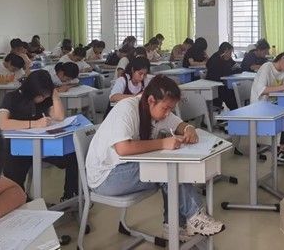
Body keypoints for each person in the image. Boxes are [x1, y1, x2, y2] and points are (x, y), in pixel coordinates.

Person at [86, 75, 225, 239]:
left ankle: (174, 226)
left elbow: (179, 124)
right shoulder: (127, 109)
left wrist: (189, 129)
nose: (168, 114)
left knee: (172, 168)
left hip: (126, 169)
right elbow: (123, 148)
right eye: (165, 109)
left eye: (171, 109)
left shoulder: (158, 110)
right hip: (105, 177)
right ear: (151, 100)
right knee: (166, 169)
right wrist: (163, 143)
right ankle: (194, 215)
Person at [0, 70, 79, 200]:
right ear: (31, 90)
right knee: (14, 175)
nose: (43, 99)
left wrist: (55, 96)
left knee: (74, 155)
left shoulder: (45, 100)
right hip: (17, 148)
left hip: (42, 147)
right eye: (41, 96)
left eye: (46, 96)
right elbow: (3, 124)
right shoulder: (12, 97)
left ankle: (70, 195)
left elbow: (59, 117)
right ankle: (21, 200)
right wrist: (34, 124)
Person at [206, 42, 239, 110]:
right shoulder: (216, 58)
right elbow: (224, 72)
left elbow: (237, 67)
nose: (230, 55)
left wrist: (233, 69)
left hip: (222, 83)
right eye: (230, 52)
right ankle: (235, 112)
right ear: (225, 51)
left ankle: (236, 111)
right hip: (215, 85)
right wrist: (232, 70)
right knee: (231, 94)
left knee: (234, 91)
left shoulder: (227, 58)